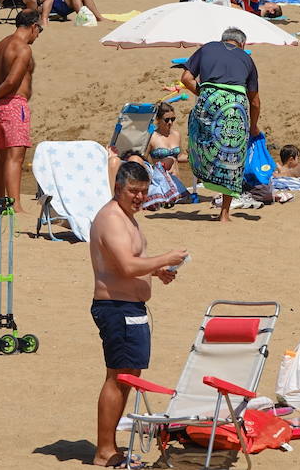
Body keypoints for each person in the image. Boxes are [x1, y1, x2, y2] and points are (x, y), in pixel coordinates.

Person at [88, 159, 188, 468]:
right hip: (116, 308)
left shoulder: (127, 217)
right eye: (133, 191)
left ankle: (110, 447)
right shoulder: (112, 219)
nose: (140, 197)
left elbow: (131, 263)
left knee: (126, 377)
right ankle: (104, 450)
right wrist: (166, 257)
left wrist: (158, 270)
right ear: (118, 188)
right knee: (119, 378)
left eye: (144, 191)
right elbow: (127, 266)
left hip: (129, 306)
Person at [180, 27, 260, 223]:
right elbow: (255, 101)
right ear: (242, 44)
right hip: (236, 108)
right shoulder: (247, 59)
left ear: (223, 40)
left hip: (209, 100)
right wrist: (254, 127)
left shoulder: (207, 49)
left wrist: (207, 96)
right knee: (233, 158)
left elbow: (185, 79)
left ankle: (203, 177)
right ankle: (224, 214)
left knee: (201, 141)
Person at [0, 9, 40, 213]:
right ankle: (15, 206)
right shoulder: (22, 49)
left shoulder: (1, 45)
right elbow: (12, 81)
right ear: (33, 27)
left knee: (1, 155)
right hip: (13, 104)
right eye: (39, 31)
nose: (38, 36)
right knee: (15, 156)